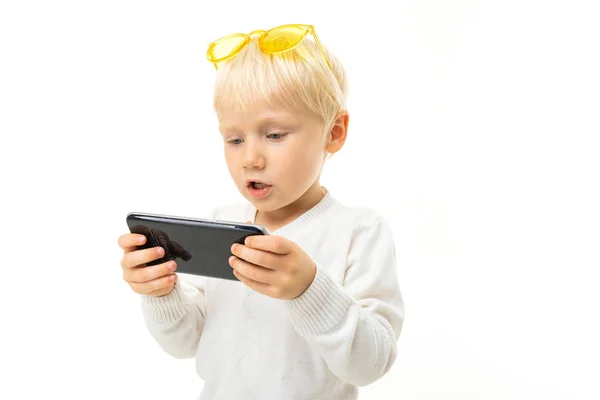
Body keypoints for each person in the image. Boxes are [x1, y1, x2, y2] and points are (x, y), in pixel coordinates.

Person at [118, 23, 405, 399]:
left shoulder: (359, 231)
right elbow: (186, 343)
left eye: (274, 135)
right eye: (234, 139)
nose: (250, 159)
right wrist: (161, 292)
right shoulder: (223, 223)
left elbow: (371, 364)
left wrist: (308, 289)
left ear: (334, 132)